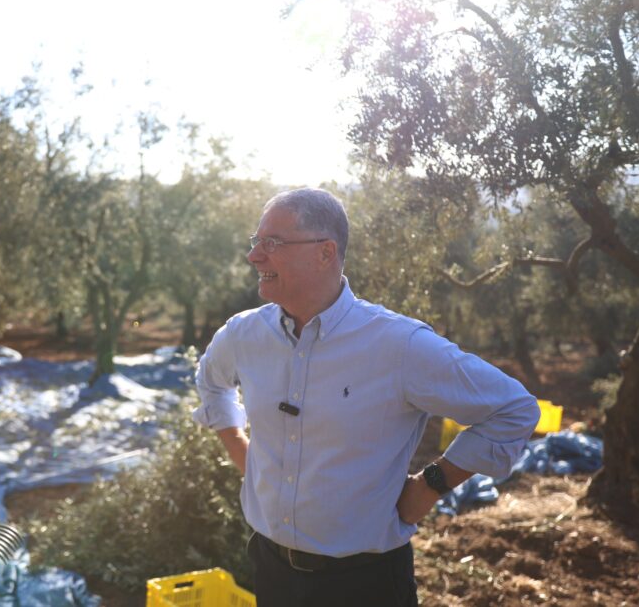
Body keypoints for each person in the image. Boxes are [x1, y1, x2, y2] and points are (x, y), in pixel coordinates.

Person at [192, 188, 540, 606]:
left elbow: (514, 409)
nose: (255, 257)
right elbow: (212, 382)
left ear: (325, 253)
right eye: (256, 242)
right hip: (271, 571)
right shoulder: (243, 334)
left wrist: (431, 484)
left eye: (273, 244)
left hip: (365, 585)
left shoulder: (400, 346)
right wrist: (240, 450)